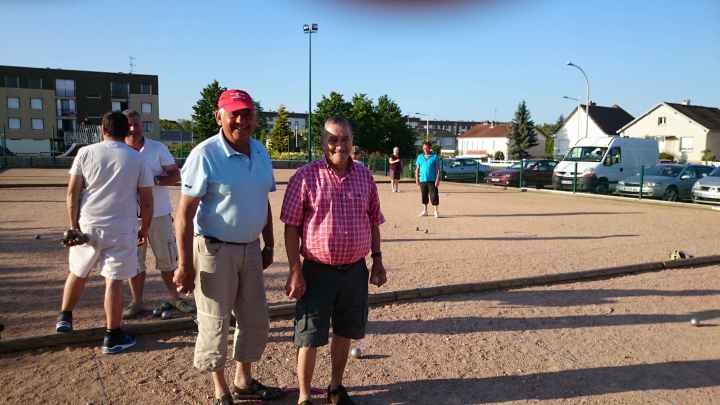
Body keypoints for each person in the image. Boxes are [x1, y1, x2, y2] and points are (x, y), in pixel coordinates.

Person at [173, 89, 284, 405]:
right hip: (214, 251)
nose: (242, 120)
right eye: (235, 114)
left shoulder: (260, 151)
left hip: (251, 249)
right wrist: (184, 265)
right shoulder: (205, 154)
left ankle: (243, 380)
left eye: (248, 114)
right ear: (218, 116)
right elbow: (184, 215)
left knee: (255, 319)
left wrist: (269, 244)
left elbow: (262, 201)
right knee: (215, 321)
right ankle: (220, 388)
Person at [282, 116, 387, 405]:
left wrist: (377, 259)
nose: (339, 145)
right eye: (333, 139)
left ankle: (335, 388)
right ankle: (304, 396)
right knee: (309, 336)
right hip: (317, 272)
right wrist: (294, 270)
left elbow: (373, 220)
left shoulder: (365, 176)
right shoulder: (305, 177)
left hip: (354, 271)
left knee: (345, 332)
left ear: (352, 142)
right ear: (322, 142)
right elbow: (291, 227)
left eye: (345, 139)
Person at [55, 112, 154, 355]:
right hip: (122, 227)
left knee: (78, 271)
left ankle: (65, 317)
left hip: (88, 223)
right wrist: (144, 228)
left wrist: (73, 225)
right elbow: (146, 200)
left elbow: (72, 193)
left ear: (103, 130)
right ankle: (113, 335)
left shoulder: (85, 153)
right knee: (114, 280)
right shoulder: (137, 159)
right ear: (127, 131)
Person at [121, 109, 194, 319]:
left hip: (159, 214)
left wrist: (154, 181)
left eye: (136, 124)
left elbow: (175, 174)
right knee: (135, 262)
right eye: (129, 124)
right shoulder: (118, 150)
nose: (133, 128)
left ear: (142, 125)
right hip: (130, 217)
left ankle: (175, 298)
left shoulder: (157, 148)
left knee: (167, 260)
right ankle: (137, 302)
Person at [415, 141, 441, 218]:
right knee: (424, 195)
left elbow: (438, 170)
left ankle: (436, 211)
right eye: (424, 148)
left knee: (434, 196)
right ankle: (425, 211)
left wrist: (437, 179)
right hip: (422, 179)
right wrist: (417, 179)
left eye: (426, 148)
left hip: (432, 180)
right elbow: (417, 169)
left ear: (429, 148)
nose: (425, 149)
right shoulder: (420, 157)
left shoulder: (434, 157)